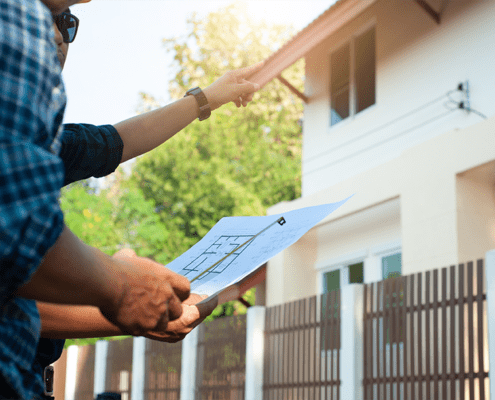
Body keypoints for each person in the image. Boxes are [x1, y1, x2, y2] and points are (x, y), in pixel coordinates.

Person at [0, 0, 262, 398]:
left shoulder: (43, 141)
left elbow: (112, 143)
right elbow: (15, 243)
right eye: (42, 13)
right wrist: (118, 289)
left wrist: (207, 97)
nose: (55, 34)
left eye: (66, 21)